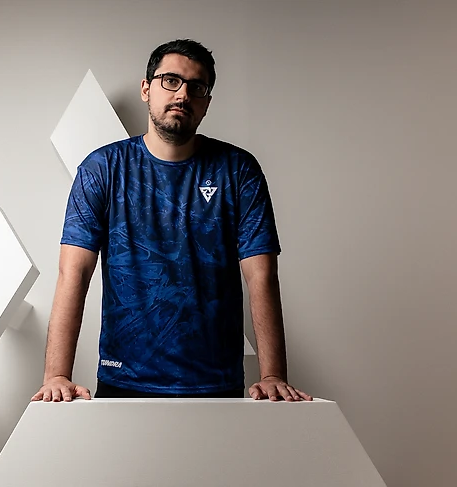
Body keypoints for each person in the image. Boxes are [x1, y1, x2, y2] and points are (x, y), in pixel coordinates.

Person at [31, 39, 312, 402]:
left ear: (206, 103)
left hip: (216, 384)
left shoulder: (238, 170)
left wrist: (273, 375)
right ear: (146, 89)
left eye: (197, 87)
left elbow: (261, 275)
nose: (183, 94)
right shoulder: (102, 169)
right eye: (171, 81)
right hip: (124, 380)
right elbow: (74, 271)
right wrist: (56, 375)